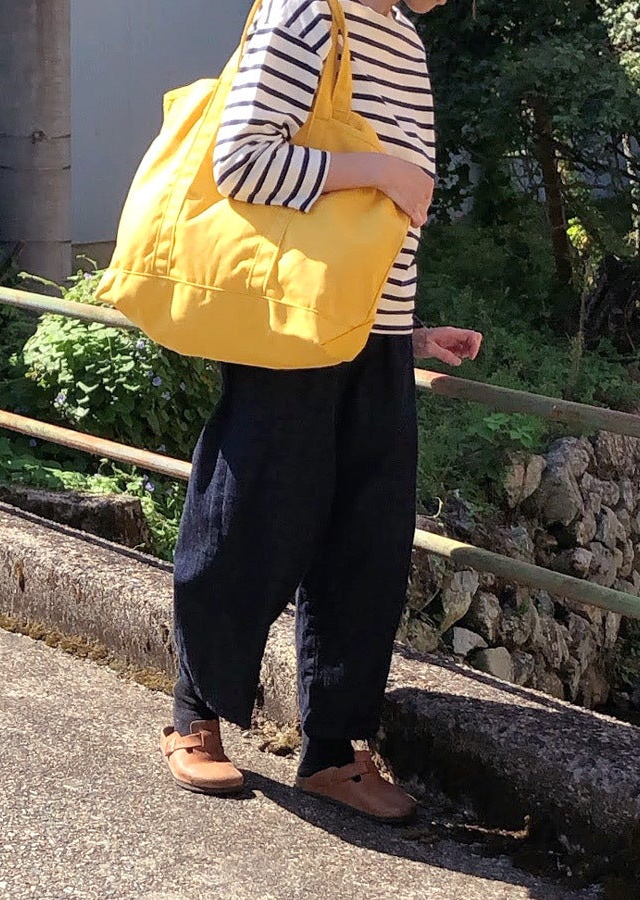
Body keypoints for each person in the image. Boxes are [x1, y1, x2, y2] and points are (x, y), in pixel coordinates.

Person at [160, 0, 482, 823]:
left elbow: (366, 232)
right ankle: (194, 715)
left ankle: (334, 752)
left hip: (369, 338)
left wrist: (405, 332)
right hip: (289, 334)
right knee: (248, 522)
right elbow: (240, 162)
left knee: (366, 548)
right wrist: (381, 171)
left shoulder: (402, 33)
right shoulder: (305, 12)